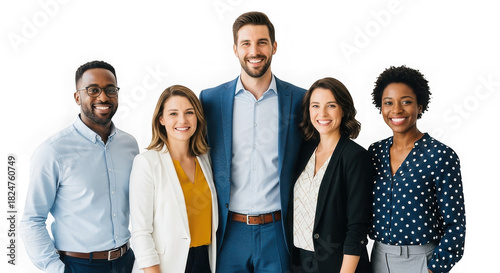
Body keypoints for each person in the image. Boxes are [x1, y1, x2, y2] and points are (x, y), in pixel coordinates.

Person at [199, 11, 306, 273]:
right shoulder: (210, 100)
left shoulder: (300, 100)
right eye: (246, 43)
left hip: (278, 232)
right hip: (228, 232)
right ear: (235, 49)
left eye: (261, 42)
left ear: (274, 46)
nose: (254, 50)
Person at [20, 60, 139, 273]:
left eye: (110, 90)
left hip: (127, 262)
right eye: (93, 90)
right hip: (79, 266)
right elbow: (32, 220)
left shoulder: (130, 145)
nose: (103, 97)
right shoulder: (54, 151)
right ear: (77, 97)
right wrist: (57, 269)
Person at [369, 65, 466, 273]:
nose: (396, 110)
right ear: (380, 107)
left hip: (423, 261)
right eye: (388, 103)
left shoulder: (441, 156)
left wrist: (434, 268)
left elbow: (455, 223)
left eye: (406, 102)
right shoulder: (375, 153)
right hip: (378, 258)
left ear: (420, 106)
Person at [129, 85, 218, 273]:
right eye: (173, 114)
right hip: (166, 266)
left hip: (205, 261)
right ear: (161, 119)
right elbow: (141, 232)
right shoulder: (146, 163)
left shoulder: (206, 160)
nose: (182, 120)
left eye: (189, 112)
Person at [289, 78, 372, 273]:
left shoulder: (355, 157)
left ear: (343, 109)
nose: (322, 113)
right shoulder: (303, 152)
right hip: (300, 262)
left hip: (339, 264)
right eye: (315, 106)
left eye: (331, 105)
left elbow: (357, 227)